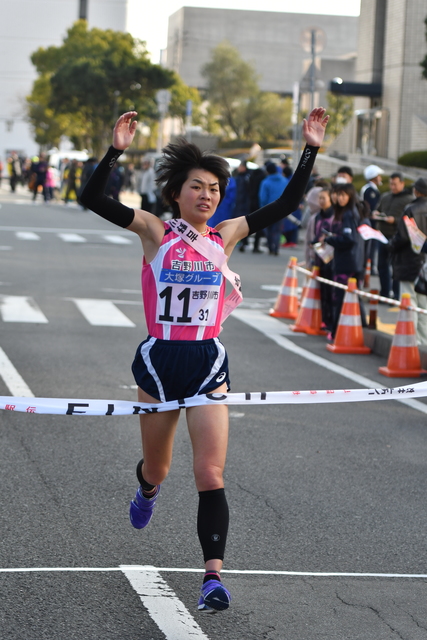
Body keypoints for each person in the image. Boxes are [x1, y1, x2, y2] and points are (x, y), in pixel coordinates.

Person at [80, 108, 329, 613]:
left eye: (214, 188)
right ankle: (146, 490)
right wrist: (115, 151)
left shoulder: (228, 235)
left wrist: (311, 148)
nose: (207, 195)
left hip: (208, 362)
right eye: (197, 186)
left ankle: (212, 577)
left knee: (210, 473)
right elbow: (90, 198)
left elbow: (286, 202)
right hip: (158, 361)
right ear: (177, 192)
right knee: (159, 467)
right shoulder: (154, 230)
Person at [389, 178, 427, 344]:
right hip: (425, 264)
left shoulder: (411, 209)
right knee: (424, 305)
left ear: (416, 191)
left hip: (409, 260)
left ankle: (410, 342)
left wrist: (390, 245)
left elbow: (403, 237)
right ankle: (424, 343)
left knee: (409, 301)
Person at [321, 183, 361, 338]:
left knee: (340, 298)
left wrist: (331, 239)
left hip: (347, 263)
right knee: (348, 299)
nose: (340, 198)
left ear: (350, 196)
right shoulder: (346, 212)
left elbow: (348, 239)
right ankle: (342, 332)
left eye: (344, 195)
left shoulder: (349, 213)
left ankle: (337, 332)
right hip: (346, 261)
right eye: (338, 194)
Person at [371, 172, 413, 299]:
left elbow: (409, 220)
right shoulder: (385, 197)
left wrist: (394, 220)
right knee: (381, 266)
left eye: (395, 184)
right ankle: (385, 293)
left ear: (402, 183)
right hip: (382, 235)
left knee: (396, 267)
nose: (393, 187)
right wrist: (376, 214)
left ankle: (396, 294)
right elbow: (378, 209)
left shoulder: (408, 200)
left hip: (397, 238)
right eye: (391, 184)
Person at [259, 162, 289, 255]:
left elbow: (262, 197)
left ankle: (270, 247)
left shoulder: (265, 182)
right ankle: (276, 248)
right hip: (281, 209)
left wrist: (262, 208)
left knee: (268, 229)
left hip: (268, 208)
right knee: (277, 229)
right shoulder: (284, 180)